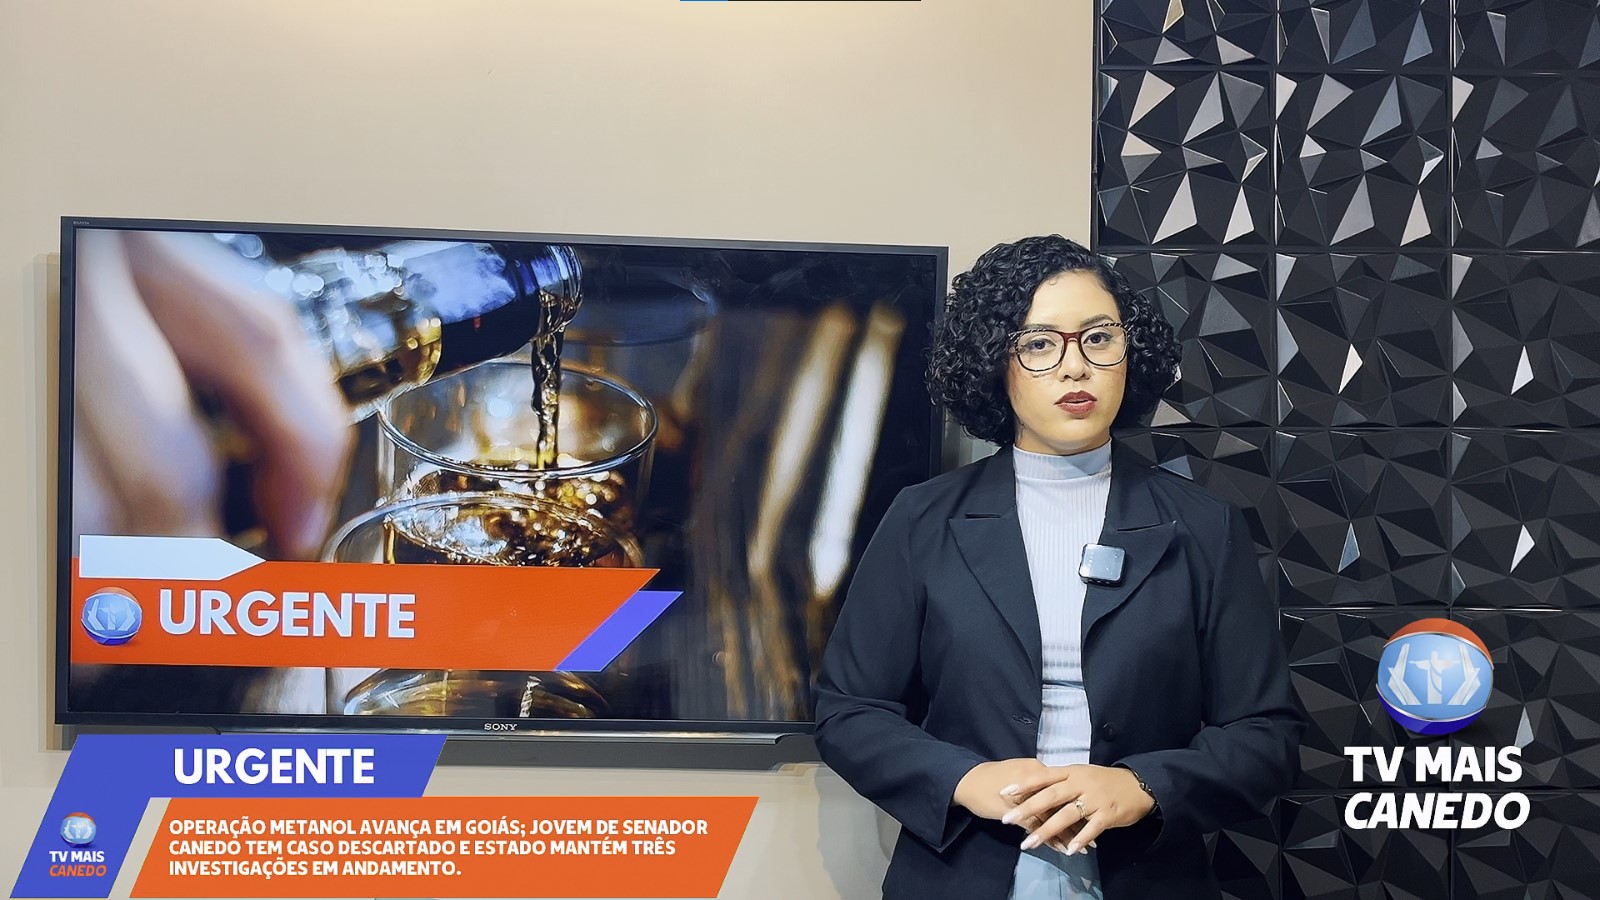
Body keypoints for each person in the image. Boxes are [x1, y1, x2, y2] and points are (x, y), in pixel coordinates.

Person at [813, 235, 1304, 899]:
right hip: (964, 871)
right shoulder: (921, 520)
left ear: (1130, 354)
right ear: (995, 362)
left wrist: (1142, 786)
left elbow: (1265, 736)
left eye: (1098, 338)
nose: (1076, 367)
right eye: (1040, 344)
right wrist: (966, 780)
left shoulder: (1203, 526)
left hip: (1147, 876)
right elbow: (850, 712)